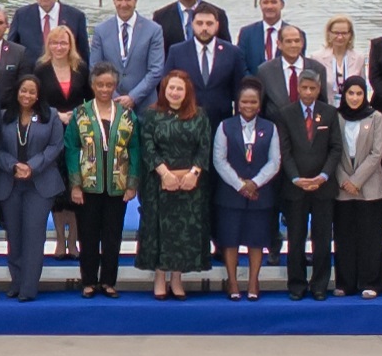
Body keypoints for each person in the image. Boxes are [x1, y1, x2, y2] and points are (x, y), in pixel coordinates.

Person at [0, 72, 66, 302]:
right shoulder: (3, 117)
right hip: (9, 182)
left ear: (38, 94)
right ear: (17, 92)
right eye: (24, 90)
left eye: (32, 91)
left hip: (39, 184)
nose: (27, 95)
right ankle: (16, 282)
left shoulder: (50, 116)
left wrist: (32, 166)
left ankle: (29, 288)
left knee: (33, 235)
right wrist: (13, 166)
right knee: (14, 235)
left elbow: (55, 146)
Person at [135, 69, 211, 301]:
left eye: (179, 88)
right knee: (159, 230)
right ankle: (159, 277)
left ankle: (177, 278)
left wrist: (193, 173)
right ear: (164, 90)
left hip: (190, 184)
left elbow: (204, 146)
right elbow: (147, 146)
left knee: (182, 232)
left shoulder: (199, 115)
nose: (175, 92)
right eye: (171, 88)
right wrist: (164, 173)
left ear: (187, 91)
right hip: (158, 183)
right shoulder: (151, 115)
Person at [63, 65, 137, 298]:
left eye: (109, 85)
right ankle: (88, 281)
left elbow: (135, 149)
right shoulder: (81, 113)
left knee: (113, 235)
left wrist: (132, 183)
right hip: (88, 185)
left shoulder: (126, 114)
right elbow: (71, 148)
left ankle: (108, 281)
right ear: (93, 86)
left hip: (117, 186)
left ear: (115, 86)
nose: (105, 89)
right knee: (88, 234)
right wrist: (75, 184)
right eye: (100, 85)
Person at [277, 66, 341, 301]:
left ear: (319, 89)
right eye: (304, 87)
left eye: (312, 88)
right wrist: (296, 178)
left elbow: (335, 149)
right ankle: (296, 284)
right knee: (296, 239)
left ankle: (320, 285)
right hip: (295, 187)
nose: (308, 92)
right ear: (297, 88)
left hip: (323, 187)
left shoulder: (330, 113)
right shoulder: (286, 114)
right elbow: (285, 150)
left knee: (322, 239)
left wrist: (323, 176)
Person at [211, 80, 279, 299]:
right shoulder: (225, 126)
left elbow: (275, 161)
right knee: (230, 240)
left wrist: (255, 183)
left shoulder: (270, 128)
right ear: (237, 104)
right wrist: (240, 185)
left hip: (260, 194)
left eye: (253, 102)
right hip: (230, 194)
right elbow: (219, 160)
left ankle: (253, 283)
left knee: (256, 240)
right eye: (244, 101)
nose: (248, 105)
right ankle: (232, 283)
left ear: (259, 105)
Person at [332, 76, 382, 298]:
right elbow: (334, 151)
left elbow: (377, 153)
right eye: (350, 93)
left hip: (370, 186)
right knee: (345, 236)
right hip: (342, 186)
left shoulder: (376, 117)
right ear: (344, 95)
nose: (355, 98)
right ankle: (346, 283)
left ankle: (372, 283)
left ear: (365, 95)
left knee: (370, 237)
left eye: (359, 93)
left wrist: (356, 181)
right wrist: (344, 179)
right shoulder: (336, 117)